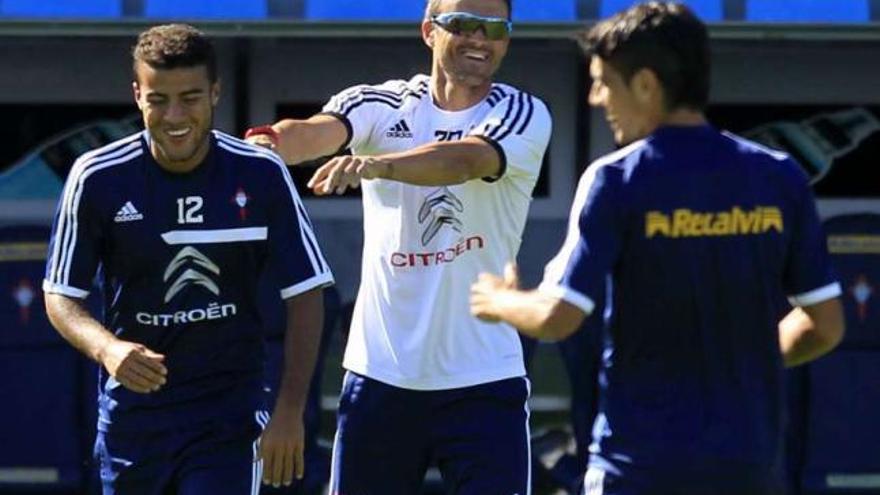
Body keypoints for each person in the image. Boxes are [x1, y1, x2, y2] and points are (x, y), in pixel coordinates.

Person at [469, 3, 845, 495]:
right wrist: (743, 364)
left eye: (603, 81)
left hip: (638, 467)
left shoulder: (617, 179)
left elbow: (559, 316)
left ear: (646, 85)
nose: (594, 98)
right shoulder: (780, 176)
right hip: (748, 467)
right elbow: (826, 325)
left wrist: (497, 299)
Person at [245, 0, 551, 492]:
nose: (480, 38)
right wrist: (264, 145)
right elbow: (311, 134)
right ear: (429, 30)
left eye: (494, 28)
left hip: (484, 380)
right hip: (379, 377)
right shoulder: (380, 103)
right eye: (463, 24)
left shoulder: (523, 113)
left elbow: (463, 162)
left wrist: (379, 165)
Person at [42, 24, 333, 495]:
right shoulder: (96, 177)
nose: (175, 115)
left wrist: (289, 412)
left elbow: (307, 293)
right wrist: (108, 349)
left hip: (229, 415)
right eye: (158, 99)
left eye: (191, 97)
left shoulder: (260, 173)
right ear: (138, 95)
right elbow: (60, 296)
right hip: (133, 419)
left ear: (215, 92)